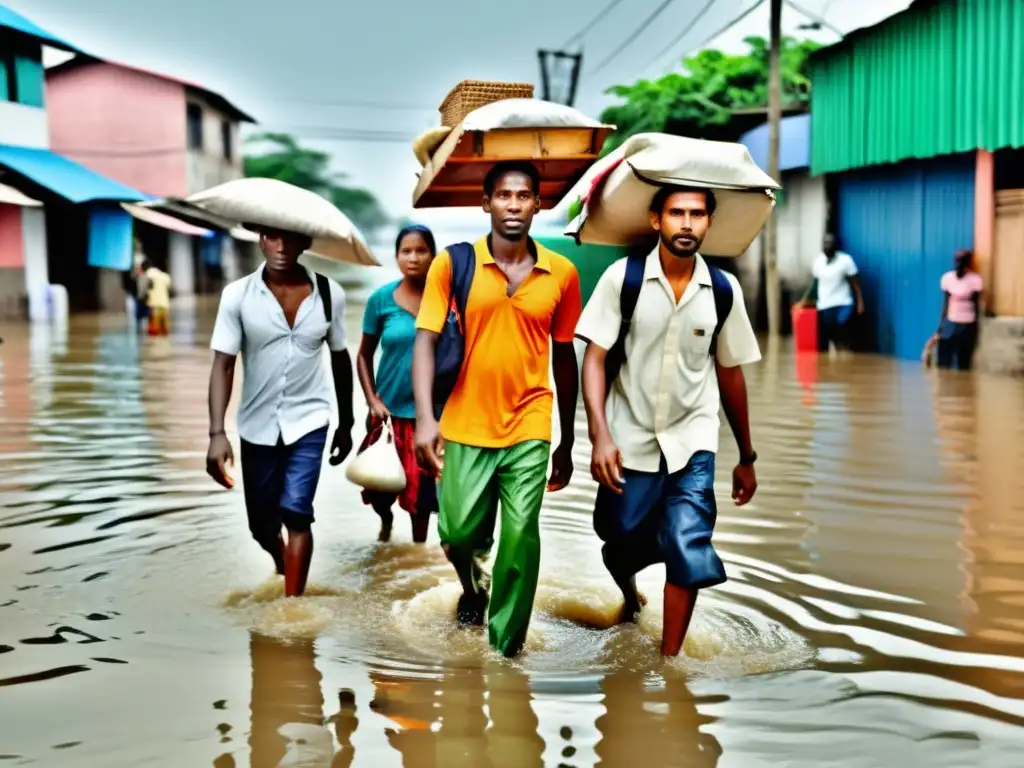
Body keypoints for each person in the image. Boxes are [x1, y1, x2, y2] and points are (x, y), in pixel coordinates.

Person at [575, 185, 761, 657]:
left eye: (697, 214)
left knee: (687, 541)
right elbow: (593, 358)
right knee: (618, 541)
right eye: (676, 213)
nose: (686, 223)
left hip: (692, 440)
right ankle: (629, 594)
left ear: (709, 223)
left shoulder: (722, 290)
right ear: (656, 220)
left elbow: (730, 370)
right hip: (629, 435)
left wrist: (746, 455)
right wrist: (599, 433)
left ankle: (669, 660)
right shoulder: (624, 278)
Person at [412, 160, 582, 658]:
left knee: (521, 534)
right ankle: (476, 586)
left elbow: (565, 355)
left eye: (523, 196)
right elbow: (425, 341)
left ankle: (505, 648)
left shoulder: (562, 274)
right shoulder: (452, 263)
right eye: (503, 196)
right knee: (459, 534)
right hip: (464, 420)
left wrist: (568, 438)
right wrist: (426, 419)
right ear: (486, 203)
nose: (513, 205)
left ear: (537, 204)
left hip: (531, 420)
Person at [206, 226, 354, 597]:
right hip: (256, 426)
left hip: (310, 421)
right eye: (272, 237)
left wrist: (347, 422)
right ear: (260, 240)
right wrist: (216, 433)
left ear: (306, 242)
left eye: (291, 238)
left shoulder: (328, 293)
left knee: (297, 511)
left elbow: (340, 357)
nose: (282, 247)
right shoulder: (237, 295)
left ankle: (292, 604)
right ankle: (280, 560)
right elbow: (222, 364)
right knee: (262, 525)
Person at [355, 224, 438, 543]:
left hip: (429, 417)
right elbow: (362, 355)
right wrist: (372, 400)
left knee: (422, 500)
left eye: (421, 250)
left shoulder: (446, 299)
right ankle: (386, 522)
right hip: (387, 414)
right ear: (396, 257)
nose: (413, 258)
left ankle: (416, 553)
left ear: (433, 255)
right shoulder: (380, 300)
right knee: (380, 491)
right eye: (406, 251)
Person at [800, 233, 864, 351]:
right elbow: (814, 284)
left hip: (843, 304)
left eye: (830, 243)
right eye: (825, 243)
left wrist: (860, 301)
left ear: (836, 245)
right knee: (827, 337)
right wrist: (804, 301)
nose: (827, 246)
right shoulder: (818, 262)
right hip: (825, 305)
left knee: (842, 329)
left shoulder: (846, 261)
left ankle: (845, 358)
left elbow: (855, 283)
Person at [933, 248, 983, 371]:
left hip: (966, 323)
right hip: (951, 322)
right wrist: (941, 326)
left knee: (963, 362)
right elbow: (946, 304)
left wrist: (975, 328)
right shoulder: (947, 279)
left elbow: (976, 306)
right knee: (945, 362)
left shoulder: (975, 280)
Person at [141, 259, 172, 336]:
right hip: (165, 304)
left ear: (145, 267)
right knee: (164, 331)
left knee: (154, 332)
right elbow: (169, 287)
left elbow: (144, 290)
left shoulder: (147, 275)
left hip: (153, 304)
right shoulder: (163, 275)